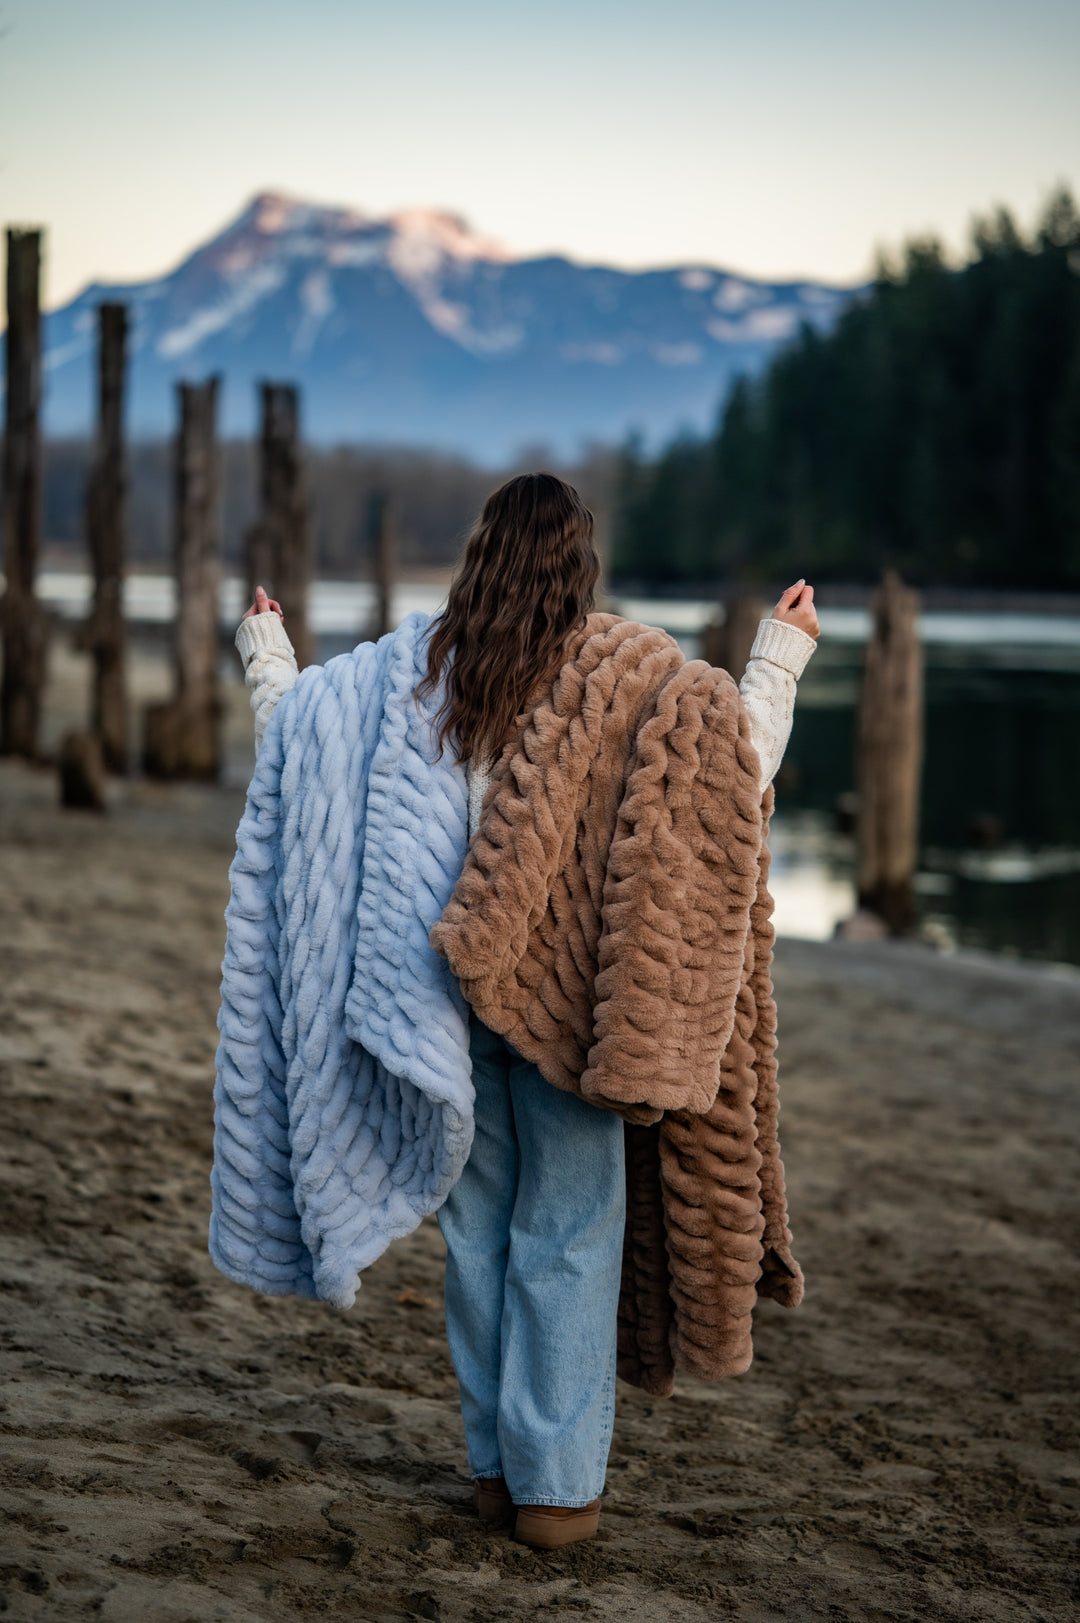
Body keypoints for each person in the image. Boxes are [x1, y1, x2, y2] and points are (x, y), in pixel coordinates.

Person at [233, 472, 819, 1549]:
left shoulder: (420, 674)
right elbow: (728, 769)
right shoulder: (627, 676)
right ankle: (555, 1491)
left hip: (446, 1005)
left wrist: (267, 649)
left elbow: (299, 746)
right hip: (569, 1010)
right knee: (570, 1238)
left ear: (480, 558)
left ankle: (497, 1473)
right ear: (579, 570)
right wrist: (778, 659)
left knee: (480, 1244)